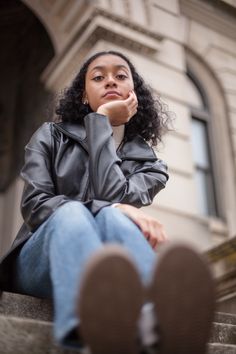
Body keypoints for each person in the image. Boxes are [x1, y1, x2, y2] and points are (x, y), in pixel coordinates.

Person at [0, 50, 215, 354]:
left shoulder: (150, 166)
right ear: (84, 96)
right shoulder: (49, 136)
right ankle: (90, 330)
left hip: (112, 267)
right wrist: (99, 121)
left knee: (113, 219)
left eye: (120, 75)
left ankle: (156, 326)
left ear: (134, 93)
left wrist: (112, 206)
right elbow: (37, 206)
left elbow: (109, 196)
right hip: (40, 261)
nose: (110, 81)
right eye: (98, 77)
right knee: (80, 211)